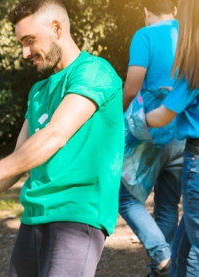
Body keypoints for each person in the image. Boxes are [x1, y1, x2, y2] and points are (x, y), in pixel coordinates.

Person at [0, 0, 124, 276]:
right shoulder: (38, 91)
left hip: (76, 215)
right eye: (21, 43)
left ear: (57, 28)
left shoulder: (93, 72)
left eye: (29, 41)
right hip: (34, 217)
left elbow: (54, 135)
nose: (25, 52)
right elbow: (19, 160)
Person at [118, 0, 182, 276]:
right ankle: (162, 269)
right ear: (176, 10)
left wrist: (111, 119)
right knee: (167, 205)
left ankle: (161, 254)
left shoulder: (145, 35)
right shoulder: (190, 34)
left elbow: (132, 88)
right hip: (186, 132)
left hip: (153, 132)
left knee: (123, 195)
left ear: (145, 11)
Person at [145, 0, 199, 275]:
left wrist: (136, 119)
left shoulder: (194, 66)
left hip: (197, 161)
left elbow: (162, 116)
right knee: (184, 245)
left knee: (195, 253)